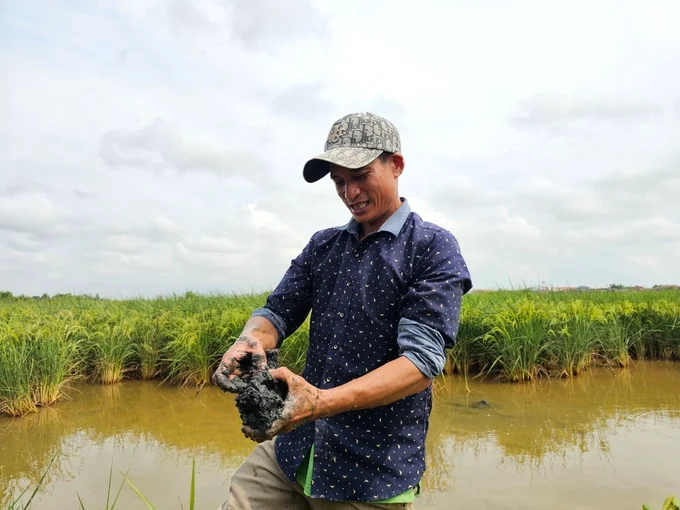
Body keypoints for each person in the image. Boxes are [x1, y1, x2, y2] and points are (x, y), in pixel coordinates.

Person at [214, 112, 472, 509]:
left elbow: (420, 364)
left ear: (396, 165)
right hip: (294, 449)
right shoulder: (324, 246)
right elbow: (277, 312)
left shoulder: (431, 247)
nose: (350, 192)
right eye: (339, 181)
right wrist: (251, 339)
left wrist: (320, 403)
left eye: (361, 176)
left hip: (370, 468)